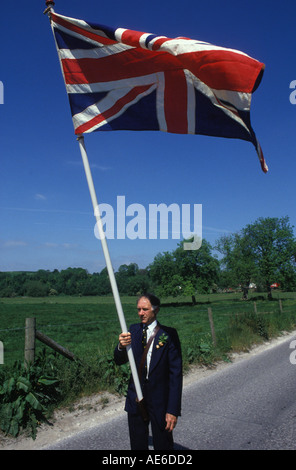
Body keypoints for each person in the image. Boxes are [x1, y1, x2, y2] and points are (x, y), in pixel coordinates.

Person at [114, 293, 183, 450]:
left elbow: (175, 375)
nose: (141, 313)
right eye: (138, 309)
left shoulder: (169, 335)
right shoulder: (132, 330)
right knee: (137, 444)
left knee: (163, 444)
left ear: (155, 310)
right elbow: (119, 360)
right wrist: (121, 346)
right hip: (136, 397)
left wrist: (173, 410)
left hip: (160, 400)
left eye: (145, 309)